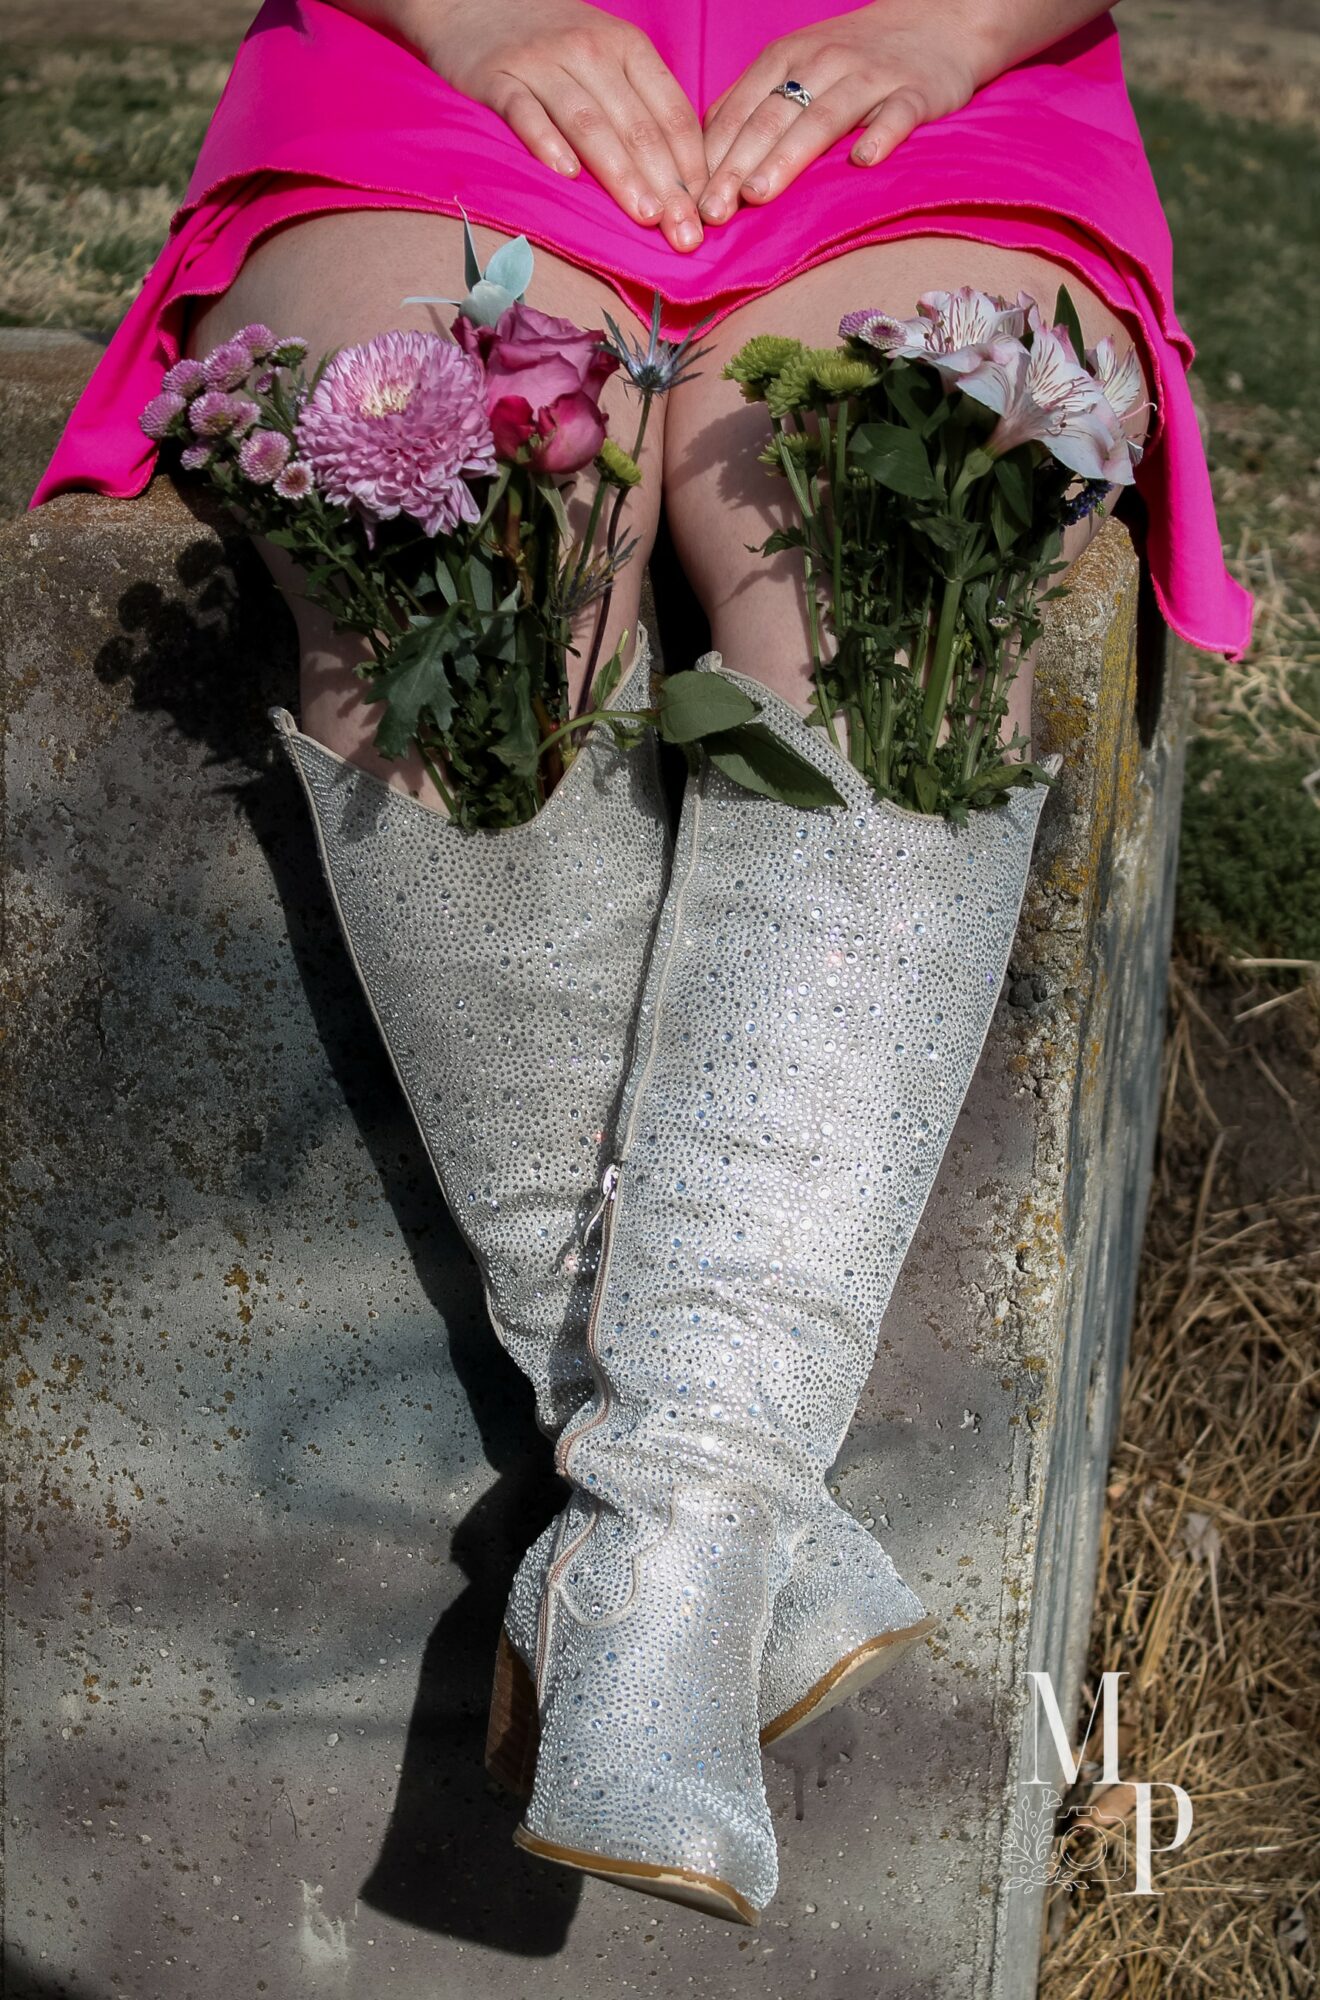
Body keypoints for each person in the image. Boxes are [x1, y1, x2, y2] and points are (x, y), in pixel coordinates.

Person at [33, 0, 1250, 1927]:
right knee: (445, 522)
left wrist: (949, 34)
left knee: (891, 549)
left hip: (911, 96)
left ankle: (657, 1531)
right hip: (427, 76)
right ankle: (700, 1532)